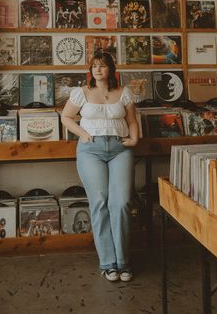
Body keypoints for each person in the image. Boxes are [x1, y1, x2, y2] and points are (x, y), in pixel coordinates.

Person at [61, 51, 139, 282]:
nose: (97, 69)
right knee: (100, 202)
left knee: (122, 202)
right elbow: (66, 117)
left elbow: (132, 120)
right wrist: (83, 134)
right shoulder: (81, 93)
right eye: (94, 66)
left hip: (120, 150)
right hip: (91, 151)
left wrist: (134, 140)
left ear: (110, 70)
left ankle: (123, 261)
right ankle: (108, 263)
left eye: (102, 66)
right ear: (90, 70)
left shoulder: (124, 93)